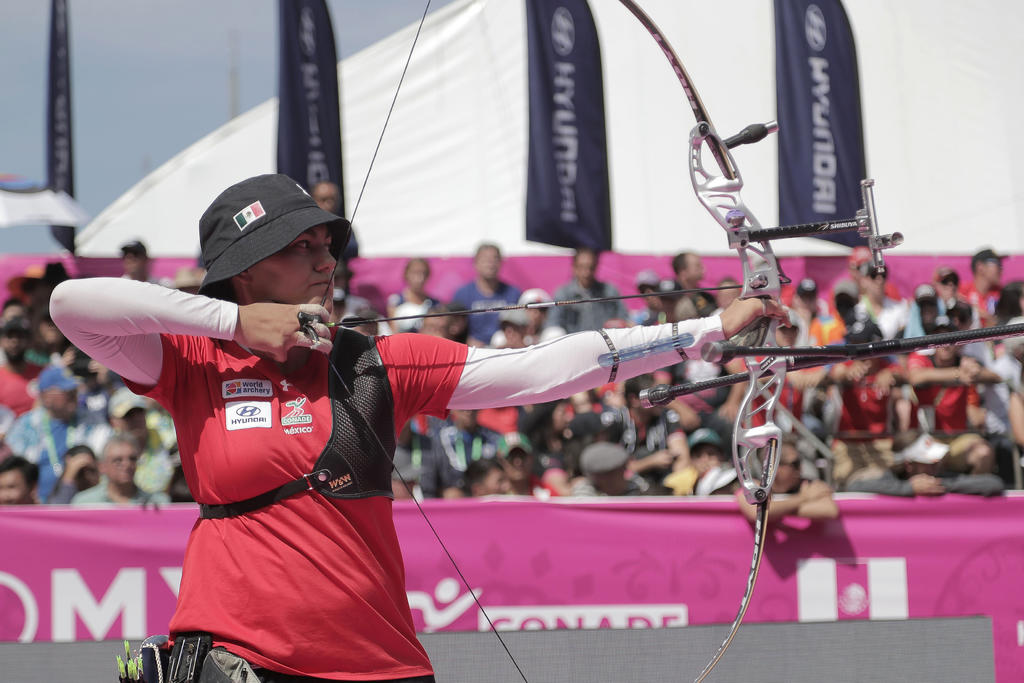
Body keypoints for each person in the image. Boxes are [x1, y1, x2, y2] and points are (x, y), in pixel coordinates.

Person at [49, 173, 782, 682]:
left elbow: (539, 369)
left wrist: (705, 331)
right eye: (302, 247)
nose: (328, 261)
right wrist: (236, 323)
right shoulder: (192, 362)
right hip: (242, 658)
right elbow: (72, 305)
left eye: (327, 244)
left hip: (379, 663)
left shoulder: (371, 361)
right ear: (246, 271)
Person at [5, 365, 110, 502]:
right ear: (45, 397)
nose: (73, 395)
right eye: (66, 391)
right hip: (37, 504)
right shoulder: (26, 426)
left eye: (74, 390)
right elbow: (14, 469)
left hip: (83, 502)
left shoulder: (92, 422)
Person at [845, 432, 1003, 497]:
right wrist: (908, 488)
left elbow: (993, 484)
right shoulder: (888, 478)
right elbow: (853, 487)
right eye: (929, 461)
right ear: (909, 466)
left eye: (937, 459)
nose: (937, 465)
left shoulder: (941, 477)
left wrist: (938, 485)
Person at [735, 436, 838, 520]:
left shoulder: (809, 485)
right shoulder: (753, 487)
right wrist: (803, 498)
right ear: (774, 468)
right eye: (795, 464)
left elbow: (830, 510)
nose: (800, 469)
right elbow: (756, 513)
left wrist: (777, 510)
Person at [450, 243, 521, 346]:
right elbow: (455, 328)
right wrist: (467, 341)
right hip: (473, 349)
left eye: (495, 259)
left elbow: (521, 325)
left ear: (501, 263)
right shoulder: (462, 294)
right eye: (485, 259)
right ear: (475, 263)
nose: (490, 264)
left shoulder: (513, 293)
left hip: (506, 348)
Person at [71, 432, 171, 505]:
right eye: (118, 460)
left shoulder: (158, 503)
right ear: (102, 466)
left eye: (132, 459)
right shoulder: (84, 503)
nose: (127, 464)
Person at [549, 247, 627, 334]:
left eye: (591, 267)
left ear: (596, 267)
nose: (586, 273)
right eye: (581, 267)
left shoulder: (609, 291)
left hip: (605, 340)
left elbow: (624, 319)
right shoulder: (563, 294)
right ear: (574, 268)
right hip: (574, 341)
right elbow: (553, 323)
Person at [0, 316, 44, 415]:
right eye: (9, 336)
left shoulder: (42, 374)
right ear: (1, 341)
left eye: (20, 336)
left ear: (29, 342)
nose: (14, 341)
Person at [962, 248, 1004, 326]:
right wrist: (985, 315)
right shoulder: (962, 291)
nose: (1001, 268)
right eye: (997, 263)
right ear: (980, 267)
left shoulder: (1002, 293)